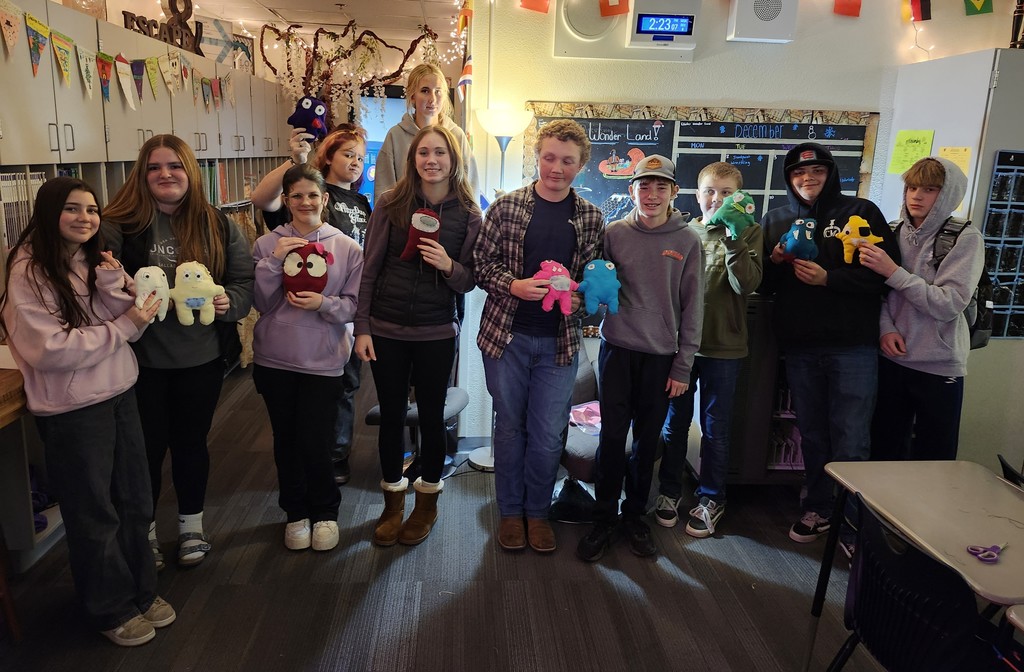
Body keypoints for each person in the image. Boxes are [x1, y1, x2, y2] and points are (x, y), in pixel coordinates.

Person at [0, 177, 175, 646]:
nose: (85, 218)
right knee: (94, 513)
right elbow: (51, 350)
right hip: (73, 409)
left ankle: (141, 591)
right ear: (48, 212)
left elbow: (136, 320)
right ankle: (109, 607)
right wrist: (124, 325)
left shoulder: (91, 259)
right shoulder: (28, 272)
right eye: (73, 208)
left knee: (135, 501)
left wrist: (113, 284)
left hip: (119, 393)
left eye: (92, 209)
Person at [102, 135, 254, 569]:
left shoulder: (215, 223)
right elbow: (97, 281)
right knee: (143, 451)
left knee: (191, 445)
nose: (165, 174)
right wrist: (121, 289)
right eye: (154, 167)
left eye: (174, 166)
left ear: (190, 171)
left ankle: (192, 528)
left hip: (200, 359)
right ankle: (145, 534)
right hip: (138, 362)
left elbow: (243, 281)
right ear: (142, 174)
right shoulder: (119, 224)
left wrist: (229, 303)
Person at [759, 142, 899, 549]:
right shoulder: (776, 219)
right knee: (813, 435)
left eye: (817, 171)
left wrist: (829, 279)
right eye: (799, 173)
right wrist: (774, 262)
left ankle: (853, 523)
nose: (807, 178)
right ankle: (817, 509)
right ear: (789, 178)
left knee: (852, 438)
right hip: (800, 348)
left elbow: (884, 276)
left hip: (852, 347)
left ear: (831, 174)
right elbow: (764, 286)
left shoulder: (861, 212)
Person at [474, 119, 604, 554]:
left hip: (559, 345)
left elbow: (594, 284)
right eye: (549, 157)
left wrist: (575, 297)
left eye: (567, 161)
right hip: (506, 339)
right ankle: (511, 513)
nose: (556, 168)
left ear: (581, 165)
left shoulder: (591, 217)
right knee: (510, 429)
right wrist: (514, 285)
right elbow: (481, 265)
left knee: (548, 434)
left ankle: (538, 512)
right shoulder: (505, 207)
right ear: (537, 157)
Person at [354, 125, 481, 547]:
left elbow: (469, 280)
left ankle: (426, 504)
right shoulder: (391, 203)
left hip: (436, 331)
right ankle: (392, 503)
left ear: (453, 159)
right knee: (391, 416)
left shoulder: (469, 213)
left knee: (431, 417)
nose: (432, 160)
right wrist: (362, 326)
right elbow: (370, 268)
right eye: (424, 152)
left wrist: (448, 265)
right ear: (413, 159)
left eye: (440, 152)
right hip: (386, 328)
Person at [576, 155, 704, 562]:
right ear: (631, 190)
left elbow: (694, 308)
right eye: (643, 186)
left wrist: (683, 365)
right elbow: (597, 281)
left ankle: (635, 516)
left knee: (648, 442)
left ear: (673, 192)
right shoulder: (614, 233)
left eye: (660, 186)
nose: (651, 194)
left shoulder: (688, 241)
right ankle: (603, 517)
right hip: (617, 350)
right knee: (612, 437)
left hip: (661, 357)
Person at [251, 164, 363, 552]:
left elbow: (354, 305)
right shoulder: (267, 244)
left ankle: (326, 512)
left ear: (325, 198)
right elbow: (261, 303)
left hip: (323, 359)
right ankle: (295, 512)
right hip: (275, 358)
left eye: (312, 195)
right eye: (296, 196)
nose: (305, 202)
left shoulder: (347, 248)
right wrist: (273, 262)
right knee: (286, 440)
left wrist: (324, 304)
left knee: (317, 440)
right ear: (285, 200)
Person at [655, 162, 763, 538]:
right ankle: (669, 491)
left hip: (724, 347)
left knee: (716, 427)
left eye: (726, 193)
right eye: (710, 191)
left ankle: (712, 498)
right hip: (682, 348)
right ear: (696, 194)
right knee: (674, 424)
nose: (717, 199)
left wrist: (734, 237)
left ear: (739, 197)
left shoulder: (749, 231)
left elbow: (746, 285)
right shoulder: (685, 233)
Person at [860, 157, 984, 461]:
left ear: (948, 193)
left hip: (939, 364)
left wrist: (893, 272)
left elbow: (949, 303)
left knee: (934, 458)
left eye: (930, 189)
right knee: (883, 451)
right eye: (912, 187)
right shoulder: (892, 230)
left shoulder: (965, 238)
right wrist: (885, 329)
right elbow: (875, 292)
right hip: (892, 359)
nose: (917, 196)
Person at [374, 63, 479, 200]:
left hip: (450, 213)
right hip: (404, 213)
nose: (432, 99)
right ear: (412, 96)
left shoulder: (457, 136)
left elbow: (471, 191)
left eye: (438, 91)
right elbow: (383, 192)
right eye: (425, 91)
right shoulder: (395, 136)